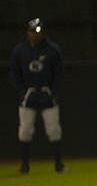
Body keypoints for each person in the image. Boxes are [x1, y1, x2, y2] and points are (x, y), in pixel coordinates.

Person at [9, 18, 66, 174]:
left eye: (38, 31)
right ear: (27, 32)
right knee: (25, 130)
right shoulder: (20, 50)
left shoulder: (52, 50)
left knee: (54, 129)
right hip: (29, 96)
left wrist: (52, 92)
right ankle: (25, 165)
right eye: (32, 31)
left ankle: (58, 164)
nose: (35, 35)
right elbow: (14, 74)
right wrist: (23, 91)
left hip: (47, 96)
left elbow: (59, 74)